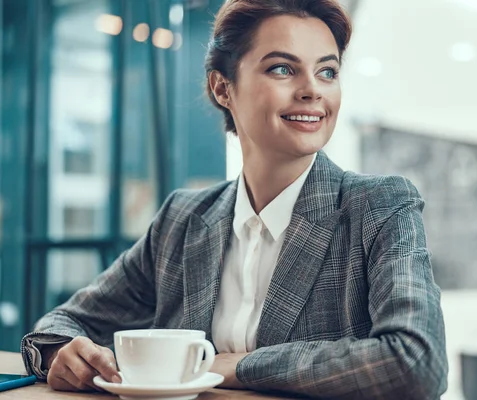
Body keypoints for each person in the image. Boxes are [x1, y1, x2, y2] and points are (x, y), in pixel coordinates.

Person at [21, 0, 448, 398]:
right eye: (283, 69)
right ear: (223, 88)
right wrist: (63, 353)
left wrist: (240, 366)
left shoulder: (378, 207)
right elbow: (62, 324)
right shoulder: (183, 219)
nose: (311, 90)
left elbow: (417, 361)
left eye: (327, 72)